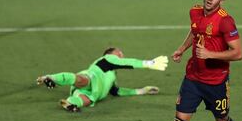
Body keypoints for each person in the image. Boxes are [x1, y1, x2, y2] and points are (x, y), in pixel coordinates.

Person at [37, 47, 168, 112]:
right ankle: (50, 78)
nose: (121, 55)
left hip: (95, 93)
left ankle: (70, 103)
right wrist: (148, 63)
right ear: (112, 53)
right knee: (81, 80)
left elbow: (116, 92)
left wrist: (141, 91)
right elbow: (127, 62)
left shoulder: (112, 75)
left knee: (85, 100)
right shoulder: (107, 60)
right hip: (92, 78)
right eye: (119, 52)